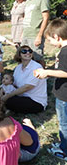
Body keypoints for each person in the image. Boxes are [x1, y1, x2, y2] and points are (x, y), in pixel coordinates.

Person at [34, 19, 67, 160]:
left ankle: (64, 150)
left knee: (64, 124)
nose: (49, 44)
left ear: (57, 37)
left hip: (64, 97)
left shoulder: (65, 52)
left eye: (49, 40)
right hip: (63, 95)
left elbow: (65, 72)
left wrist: (47, 72)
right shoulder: (63, 51)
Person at [2, 45, 47, 114]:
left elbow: (27, 87)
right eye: (24, 51)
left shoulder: (36, 67)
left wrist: (8, 95)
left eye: (30, 51)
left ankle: (5, 107)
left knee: (10, 101)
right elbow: (13, 83)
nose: (28, 53)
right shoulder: (18, 68)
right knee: (1, 91)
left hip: (35, 100)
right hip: (21, 95)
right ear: (19, 55)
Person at [20, 0, 50, 66]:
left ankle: (42, 77)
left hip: (35, 35)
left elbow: (46, 18)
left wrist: (39, 36)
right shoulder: (28, 1)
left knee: (37, 58)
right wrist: (22, 33)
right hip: (26, 34)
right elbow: (26, 17)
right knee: (25, 58)